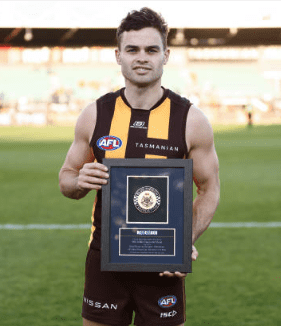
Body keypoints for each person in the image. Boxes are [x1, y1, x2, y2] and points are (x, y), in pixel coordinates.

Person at [59, 7, 220, 326]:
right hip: (105, 260)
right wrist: (80, 181)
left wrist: (184, 241)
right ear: (118, 55)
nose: (142, 57)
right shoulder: (95, 114)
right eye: (132, 49)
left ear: (166, 55)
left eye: (151, 49)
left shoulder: (191, 120)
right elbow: (66, 179)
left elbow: (210, 188)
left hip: (162, 263)